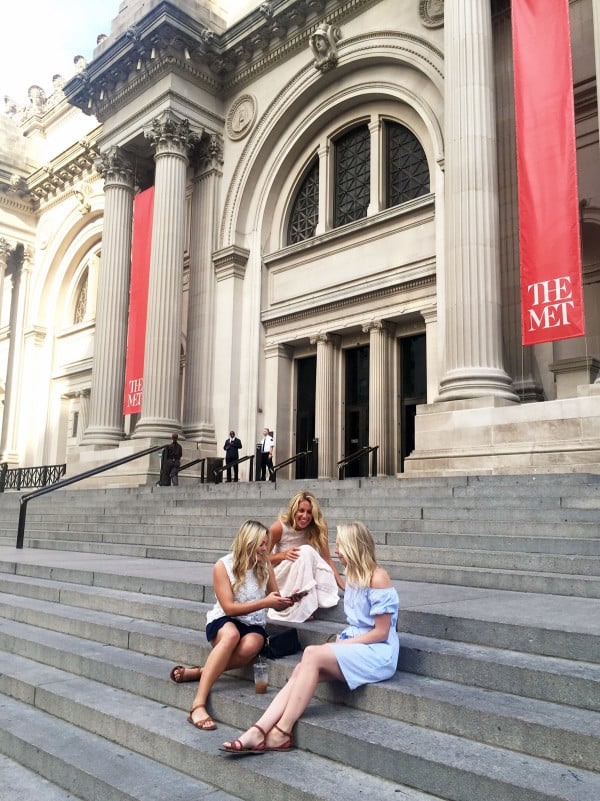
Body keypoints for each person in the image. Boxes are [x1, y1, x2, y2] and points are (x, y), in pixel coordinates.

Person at [220, 521, 399, 754]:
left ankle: (282, 731)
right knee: (301, 668)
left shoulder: (378, 578)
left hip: (379, 652)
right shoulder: (354, 574)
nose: (336, 551)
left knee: (312, 653)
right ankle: (258, 730)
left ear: (354, 546)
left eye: (340, 546)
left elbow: (381, 633)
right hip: (358, 644)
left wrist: (341, 644)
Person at [169, 520, 293, 730]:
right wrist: (265, 603)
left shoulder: (265, 566)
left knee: (252, 644)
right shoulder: (223, 565)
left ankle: (201, 671)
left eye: (266, 544)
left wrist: (287, 602)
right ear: (248, 542)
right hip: (225, 620)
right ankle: (198, 704)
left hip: (253, 623)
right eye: (261, 544)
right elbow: (229, 608)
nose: (265, 549)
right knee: (231, 635)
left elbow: (275, 600)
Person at [267, 490, 344, 624]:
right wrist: (283, 555)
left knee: (308, 553)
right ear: (293, 511)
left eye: (309, 512)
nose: (305, 516)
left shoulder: (319, 525)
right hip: (281, 576)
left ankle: (308, 602)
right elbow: (261, 559)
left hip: (304, 571)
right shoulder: (279, 527)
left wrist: (342, 585)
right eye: (301, 511)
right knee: (306, 550)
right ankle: (302, 609)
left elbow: (326, 558)